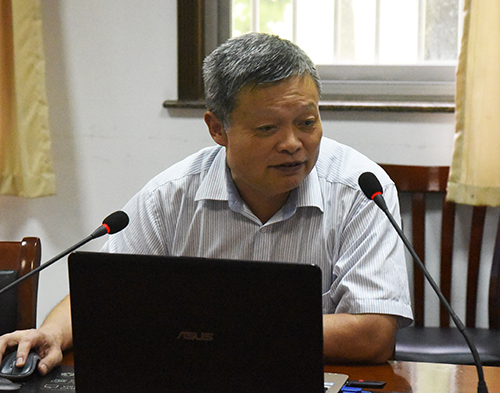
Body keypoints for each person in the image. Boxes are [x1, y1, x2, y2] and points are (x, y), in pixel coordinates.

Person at [0, 32, 413, 375]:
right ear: (218, 129)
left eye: (307, 122)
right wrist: (52, 333)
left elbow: (374, 334)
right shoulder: (172, 196)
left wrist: (221, 330)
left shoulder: (361, 191)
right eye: (267, 128)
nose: (292, 143)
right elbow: (101, 297)